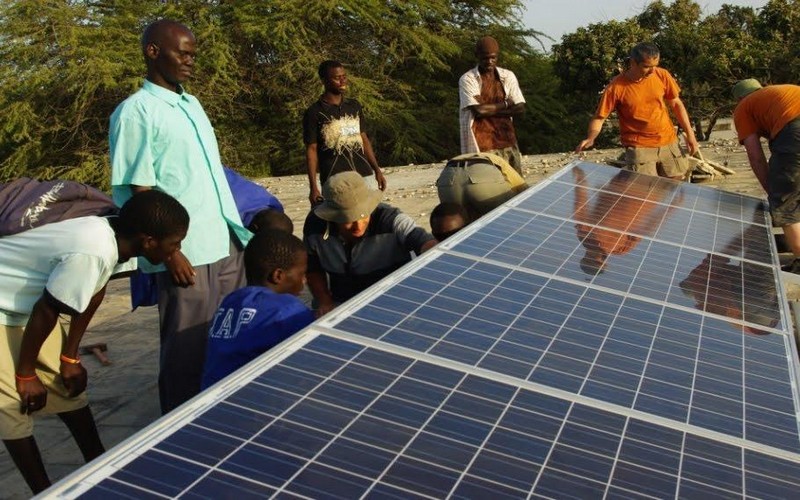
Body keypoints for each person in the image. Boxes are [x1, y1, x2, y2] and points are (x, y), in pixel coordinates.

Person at [0, 190, 188, 494]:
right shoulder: (93, 250)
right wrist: (25, 374)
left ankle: (101, 468)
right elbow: (48, 309)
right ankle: (46, 491)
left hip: (30, 307)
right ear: (148, 241)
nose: (177, 250)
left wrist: (69, 358)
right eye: (174, 244)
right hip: (9, 304)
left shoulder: (119, 238)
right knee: (13, 403)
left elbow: (93, 292)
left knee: (67, 388)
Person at [109, 19, 252, 414]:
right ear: (153, 52)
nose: (190, 62)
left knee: (230, 340)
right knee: (186, 354)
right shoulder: (136, 112)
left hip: (223, 242)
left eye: (193, 55)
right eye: (182, 54)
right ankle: (181, 432)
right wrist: (171, 254)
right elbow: (140, 193)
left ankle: (227, 416)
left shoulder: (191, 103)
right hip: (186, 254)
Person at [304, 172, 436, 315]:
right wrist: (325, 301)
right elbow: (313, 268)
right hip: (342, 303)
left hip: (393, 301)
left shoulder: (390, 219)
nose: (358, 226)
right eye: (349, 220)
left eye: (363, 216)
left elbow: (421, 240)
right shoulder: (315, 226)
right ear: (332, 217)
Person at [201, 230, 314, 389]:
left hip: (211, 397)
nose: (304, 280)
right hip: (253, 401)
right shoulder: (289, 310)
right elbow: (312, 362)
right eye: (302, 273)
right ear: (278, 276)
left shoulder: (230, 301)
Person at [575, 42, 699, 180]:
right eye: (647, 67)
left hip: (668, 142)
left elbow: (676, 104)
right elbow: (599, 118)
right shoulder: (616, 87)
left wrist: (690, 135)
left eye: (655, 66)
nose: (652, 71)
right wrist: (591, 137)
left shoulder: (662, 75)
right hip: (639, 147)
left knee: (677, 186)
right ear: (633, 63)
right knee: (645, 192)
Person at [731, 79, 800, 273]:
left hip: (795, 131)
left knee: (786, 200)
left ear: (740, 98)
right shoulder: (778, 93)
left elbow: (755, 156)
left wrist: (773, 191)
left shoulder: (744, 107)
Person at [303, 60, 387, 206]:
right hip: (335, 177)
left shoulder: (354, 106)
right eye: (337, 78)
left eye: (344, 76)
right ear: (324, 81)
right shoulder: (314, 112)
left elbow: (363, 139)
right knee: (342, 221)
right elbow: (311, 149)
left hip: (364, 174)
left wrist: (377, 170)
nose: (342, 81)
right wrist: (313, 187)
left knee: (371, 215)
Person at [573, 167, 680, 275]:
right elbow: (646, 229)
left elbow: (581, 202)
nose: (600, 259)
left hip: (625, 183)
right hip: (652, 195)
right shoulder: (621, 250)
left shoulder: (584, 234)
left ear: (585, 258)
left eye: (595, 261)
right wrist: (670, 209)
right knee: (675, 169)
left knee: (647, 159)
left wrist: (580, 178)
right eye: (602, 263)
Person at [459, 36, 526, 175]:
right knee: (490, 186)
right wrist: (507, 104)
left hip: (507, 139)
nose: (489, 61)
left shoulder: (507, 76)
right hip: (482, 142)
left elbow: (520, 108)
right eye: (485, 58)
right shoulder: (468, 79)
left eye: (493, 58)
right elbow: (479, 111)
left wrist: (490, 110)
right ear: (477, 56)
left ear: (497, 56)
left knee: (516, 185)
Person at [436, 152, 527, 220]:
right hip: (481, 173)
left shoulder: (476, 155)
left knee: (460, 226)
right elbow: (523, 188)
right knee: (508, 217)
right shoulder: (497, 159)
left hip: (447, 177)